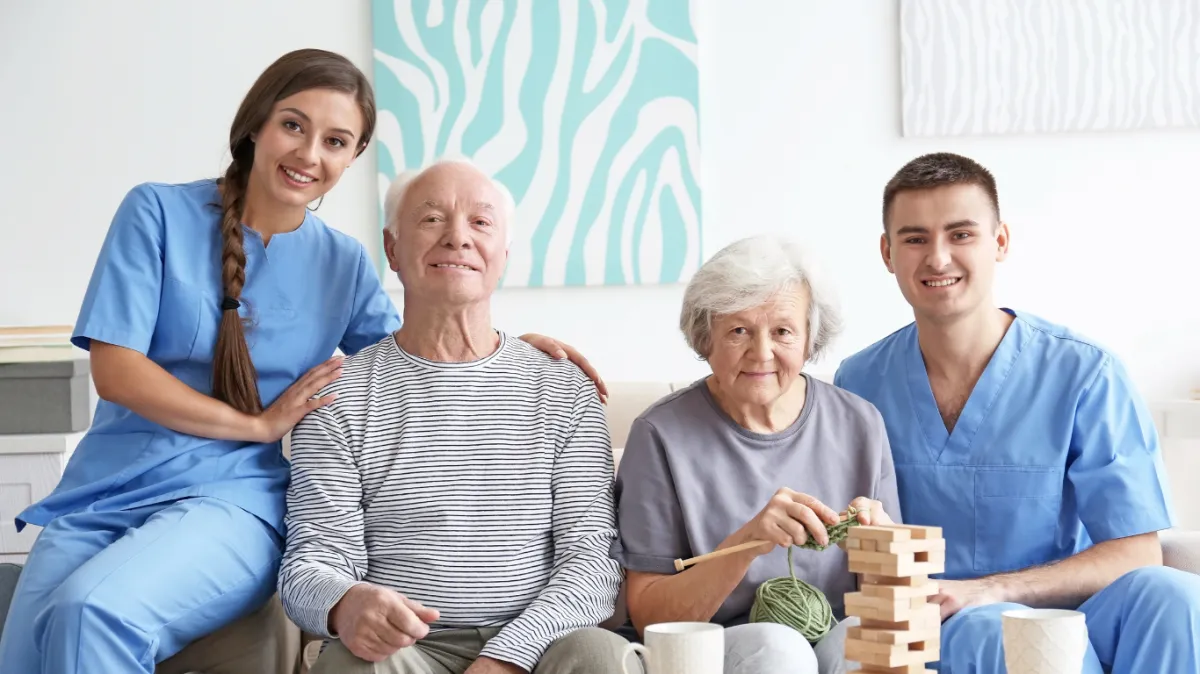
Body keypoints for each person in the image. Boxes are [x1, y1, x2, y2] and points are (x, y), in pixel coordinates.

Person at [0, 50, 604, 674]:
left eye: (336, 141)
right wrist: (257, 425)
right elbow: (116, 370)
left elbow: (425, 346)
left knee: (90, 613)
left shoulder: (343, 264)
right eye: (294, 126)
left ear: (351, 159)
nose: (310, 154)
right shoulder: (156, 212)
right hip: (105, 488)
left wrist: (515, 345)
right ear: (256, 125)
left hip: (230, 500)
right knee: (21, 654)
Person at [834, 151, 1200, 673]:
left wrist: (990, 589)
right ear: (887, 252)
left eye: (961, 234)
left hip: (1074, 616)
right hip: (948, 627)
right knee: (998, 632)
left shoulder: (1085, 374)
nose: (937, 257)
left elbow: (1136, 554)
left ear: (999, 242)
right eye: (915, 238)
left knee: (1174, 597)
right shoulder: (859, 383)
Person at [278, 158, 627, 674]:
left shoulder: (561, 386)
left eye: (480, 223)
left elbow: (594, 563)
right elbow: (310, 564)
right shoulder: (340, 395)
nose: (457, 238)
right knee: (351, 665)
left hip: (541, 645)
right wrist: (345, 603)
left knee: (601, 656)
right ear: (392, 250)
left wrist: (506, 657)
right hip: (406, 651)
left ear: (502, 255)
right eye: (432, 218)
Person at [609, 234, 902, 674]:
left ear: (809, 340)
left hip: (835, 633)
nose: (760, 353)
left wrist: (884, 549)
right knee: (778, 646)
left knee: (867, 636)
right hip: (729, 647)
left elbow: (890, 602)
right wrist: (745, 545)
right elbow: (650, 615)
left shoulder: (861, 423)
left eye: (782, 331)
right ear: (706, 338)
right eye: (738, 331)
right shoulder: (660, 435)